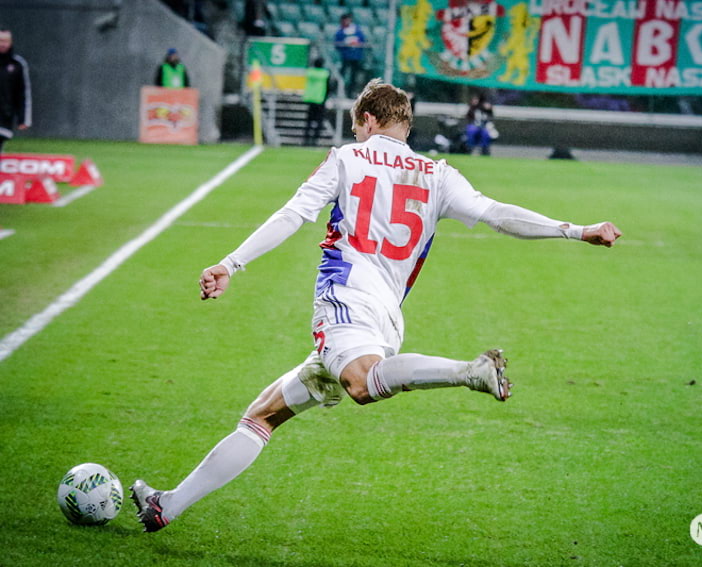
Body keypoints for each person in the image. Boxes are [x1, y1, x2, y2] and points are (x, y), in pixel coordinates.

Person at [130, 79, 622, 533]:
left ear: (367, 120)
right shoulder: (438, 173)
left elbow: (294, 214)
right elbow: (498, 215)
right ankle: (165, 506)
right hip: (385, 316)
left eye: (357, 126)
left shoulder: (345, 158)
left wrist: (230, 264)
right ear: (404, 125)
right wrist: (574, 230)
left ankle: (469, 371)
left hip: (345, 301)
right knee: (263, 415)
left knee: (363, 384)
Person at [0, 28, 31, 154]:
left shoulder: (17, 64)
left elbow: (23, 93)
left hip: (4, 116)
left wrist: (23, 118)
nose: (2, 44)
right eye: (0, 40)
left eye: (5, 41)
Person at [334, 13, 367, 98]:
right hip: (345, 57)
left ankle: (351, 93)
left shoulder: (357, 30)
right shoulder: (340, 32)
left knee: (354, 76)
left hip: (355, 57)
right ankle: (337, 91)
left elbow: (362, 41)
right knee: (342, 74)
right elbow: (337, 44)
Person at [302, 58, 330, 146]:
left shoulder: (310, 72)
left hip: (310, 98)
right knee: (319, 120)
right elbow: (329, 86)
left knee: (309, 120)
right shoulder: (325, 74)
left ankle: (306, 138)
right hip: (320, 99)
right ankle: (315, 139)